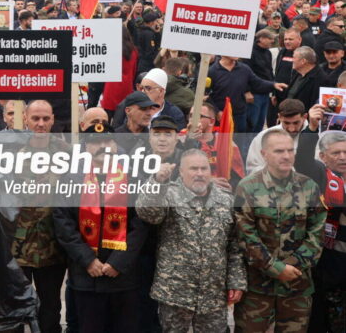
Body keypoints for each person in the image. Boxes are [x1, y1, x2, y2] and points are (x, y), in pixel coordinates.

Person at [137, 149, 247, 332]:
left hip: (213, 294)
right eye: (193, 169)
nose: (200, 173)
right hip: (174, 293)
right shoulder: (168, 194)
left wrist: (236, 281)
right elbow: (147, 213)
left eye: (204, 168)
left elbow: (235, 246)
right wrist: (157, 181)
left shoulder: (226, 200)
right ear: (181, 171)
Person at [53, 123, 148, 333]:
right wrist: (88, 260)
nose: (102, 146)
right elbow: (63, 224)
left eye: (107, 141)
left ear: (115, 145)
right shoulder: (71, 180)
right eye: (96, 142)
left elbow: (140, 225)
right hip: (87, 276)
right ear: (86, 147)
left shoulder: (133, 179)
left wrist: (118, 262)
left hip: (123, 277)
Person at [233, 130, 326, 332]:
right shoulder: (248, 187)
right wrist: (275, 268)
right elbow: (245, 236)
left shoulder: (309, 187)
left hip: (296, 286)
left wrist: (291, 266)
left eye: (290, 150)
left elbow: (317, 234)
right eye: (278, 151)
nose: (286, 156)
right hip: (258, 288)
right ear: (264, 154)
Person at [12, 100, 67, 333]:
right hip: (17, 245)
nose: (41, 124)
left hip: (52, 246)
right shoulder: (12, 152)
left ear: (53, 119)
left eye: (45, 118)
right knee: (15, 307)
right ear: (26, 119)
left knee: (50, 307)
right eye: (35, 118)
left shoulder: (66, 153)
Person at [296, 107, 346, 331]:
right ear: (323, 156)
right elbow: (302, 160)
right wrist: (312, 128)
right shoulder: (318, 173)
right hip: (324, 257)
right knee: (318, 314)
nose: (342, 157)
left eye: (345, 152)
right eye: (336, 153)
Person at [245, 99, 307, 176]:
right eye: (286, 123)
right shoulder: (263, 137)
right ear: (279, 117)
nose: (291, 129)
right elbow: (253, 169)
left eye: (296, 123)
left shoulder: (315, 136)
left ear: (305, 117)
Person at [287, 46, 324, 110]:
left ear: (303, 61)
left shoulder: (320, 79)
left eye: (294, 57)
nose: (292, 60)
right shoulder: (298, 74)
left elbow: (314, 104)